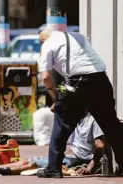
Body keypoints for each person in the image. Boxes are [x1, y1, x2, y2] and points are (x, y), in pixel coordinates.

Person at [36, 29, 123, 178]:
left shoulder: (48, 44)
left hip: (75, 84)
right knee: (111, 125)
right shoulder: (78, 37)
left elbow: (45, 77)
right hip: (101, 80)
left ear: (42, 41)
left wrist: (56, 97)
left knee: (61, 124)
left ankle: (53, 168)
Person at [0, 113, 111, 177]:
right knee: (26, 161)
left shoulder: (93, 120)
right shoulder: (76, 118)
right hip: (69, 155)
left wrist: (90, 167)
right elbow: (55, 107)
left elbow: (100, 145)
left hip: (78, 159)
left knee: (33, 164)